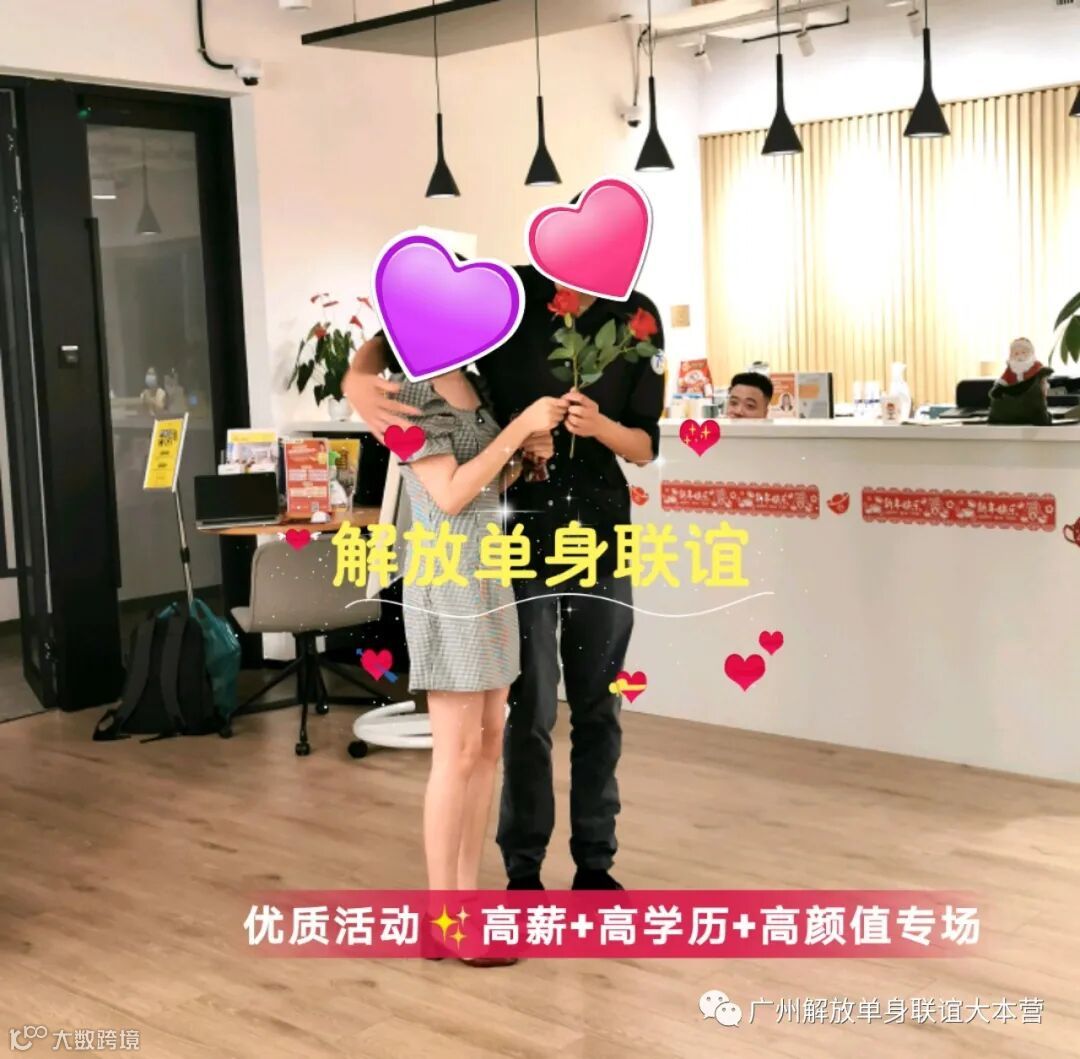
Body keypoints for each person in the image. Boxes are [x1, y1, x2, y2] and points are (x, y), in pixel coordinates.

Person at [345, 263, 664, 892]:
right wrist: (356, 377)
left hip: (597, 538)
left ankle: (594, 864)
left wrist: (594, 428)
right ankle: (521, 870)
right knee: (527, 712)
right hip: (508, 548)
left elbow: (646, 446)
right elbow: (406, 328)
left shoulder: (636, 316)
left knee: (597, 708)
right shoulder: (510, 296)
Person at [391, 361, 564, 966]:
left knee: (488, 747)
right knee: (458, 753)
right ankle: (444, 917)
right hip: (448, 582)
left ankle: (462, 905)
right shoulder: (408, 395)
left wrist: (523, 456)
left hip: (489, 575)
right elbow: (448, 493)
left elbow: (485, 485)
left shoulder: (472, 383)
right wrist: (517, 430)